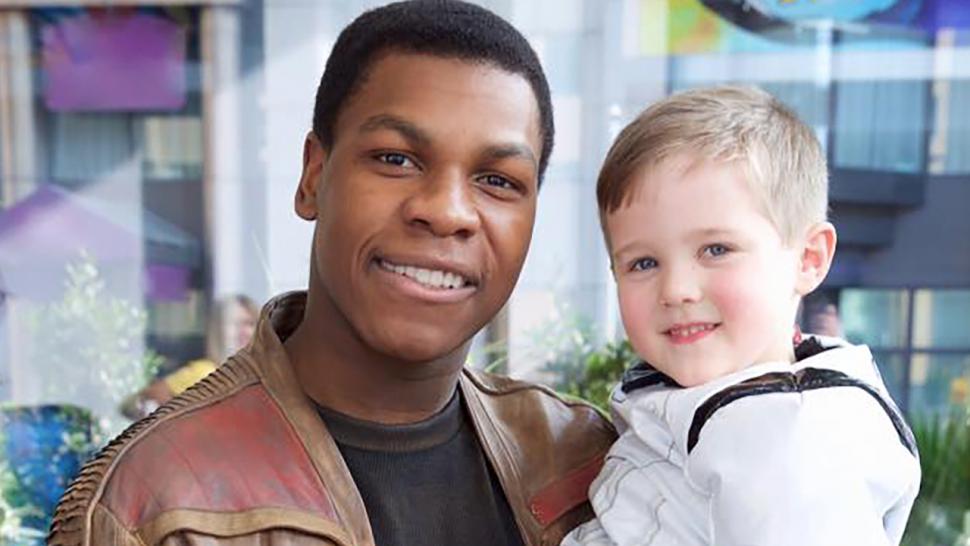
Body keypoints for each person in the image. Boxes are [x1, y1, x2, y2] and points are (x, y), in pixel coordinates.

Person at [48, 2, 616, 546]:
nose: (447, 212)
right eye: (396, 159)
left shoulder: (591, 463)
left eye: (497, 180)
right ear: (313, 177)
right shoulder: (152, 505)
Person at [562, 86, 921, 546]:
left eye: (716, 250)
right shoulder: (718, 403)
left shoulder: (798, 442)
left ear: (808, 258)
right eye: (643, 263)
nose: (676, 290)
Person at [119, 294, 259, 419]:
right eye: (236, 324)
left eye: (250, 323)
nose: (245, 332)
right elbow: (141, 401)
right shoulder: (206, 373)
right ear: (218, 331)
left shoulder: (254, 381)